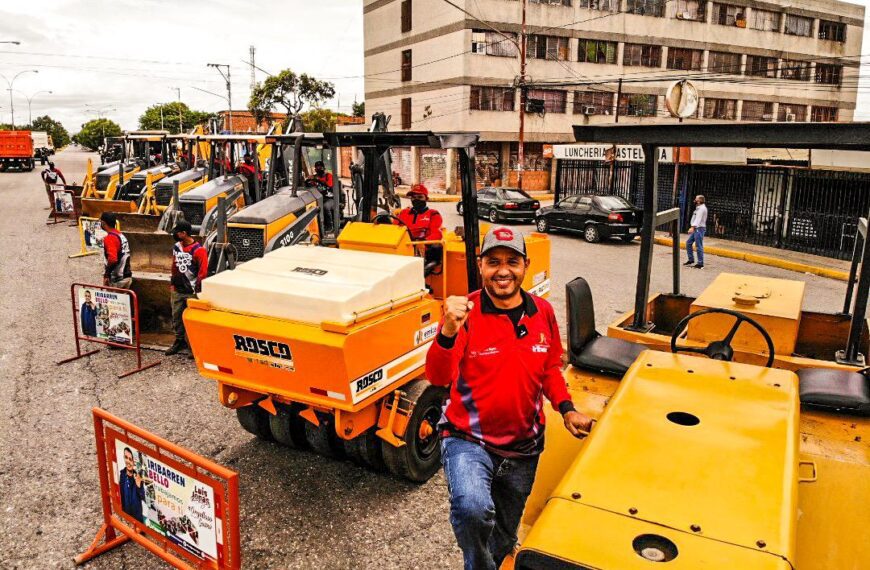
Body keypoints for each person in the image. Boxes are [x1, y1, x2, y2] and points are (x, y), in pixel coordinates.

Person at [426, 226, 593, 570]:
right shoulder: (465, 314)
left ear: (525, 265)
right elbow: (438, 377)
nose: (503, 271)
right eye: (494, 262)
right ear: (481, 265)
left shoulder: (542, 312)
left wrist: (566, 408)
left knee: (504, 532)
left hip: (523, 447)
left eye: (512, 262)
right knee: (472, 509)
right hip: (468, 438)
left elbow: (549, 368)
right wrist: (447, 331)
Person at [166, 220, 207, 356]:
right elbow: (174, 265)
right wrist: (172, 284)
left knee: (193, 320)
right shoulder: (177, 246)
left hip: (191, 291)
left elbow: (203, 273)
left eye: (177, 232)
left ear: (184, 233)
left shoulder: (199, 250)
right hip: (177, 290)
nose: (175, 235)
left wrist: (197, 291)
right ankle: (179, 341)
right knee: (176, 317)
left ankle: (194, 346)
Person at [397, 184, 443, 273]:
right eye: (413, 197)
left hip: (423, 253)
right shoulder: (404, 213)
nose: (416, 200)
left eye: (420, 197)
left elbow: (437, 234)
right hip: (402, 248)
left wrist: (423, 242)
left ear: (426, 199)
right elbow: (393, 228)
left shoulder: (433, 214)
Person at [100, 212, 132, 289]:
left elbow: (113, 259)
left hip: (117, 280)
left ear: (103, 223)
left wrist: (106, 275)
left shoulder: (110, 238)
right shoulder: (121, 235)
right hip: (127, 276)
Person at [119, 447, 145, 523]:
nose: (128, 461)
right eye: (126, 457)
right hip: (126, 517)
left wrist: (139, 487)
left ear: (134, 462)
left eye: (130, 459)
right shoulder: (122, 474)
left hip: (138, 520)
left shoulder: (139, 477)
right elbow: (121, 494)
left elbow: (145, 498)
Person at [685, 194, 708, 269]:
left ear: (699, 201)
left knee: (698, 246)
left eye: (696, 199)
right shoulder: (699, 208)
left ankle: (700, 264)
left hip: (699, 229)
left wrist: (692, 227)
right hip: (696, 228)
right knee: (688, 243)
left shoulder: (702, 209)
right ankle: (691, 260)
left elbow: (698, 219)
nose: (694, 200)